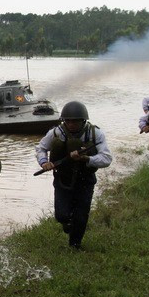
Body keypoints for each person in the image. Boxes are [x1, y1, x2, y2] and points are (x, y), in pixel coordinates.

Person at [36, 101, 112, 249]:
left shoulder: (96, 134)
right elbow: (41, 148)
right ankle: (67, 223)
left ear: (83, 120)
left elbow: (107, 159)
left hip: (86, 179)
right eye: (68, 121)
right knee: (61, 214)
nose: (71, 124)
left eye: (75, 121)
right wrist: (44, 162)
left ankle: (75, 245)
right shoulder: (56, 133)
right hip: (63, 179)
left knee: (81, 215)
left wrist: (87, 159)